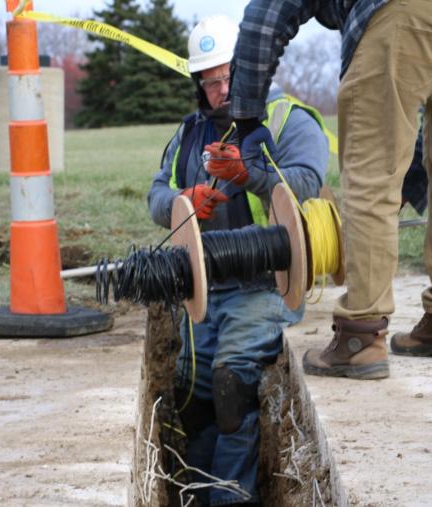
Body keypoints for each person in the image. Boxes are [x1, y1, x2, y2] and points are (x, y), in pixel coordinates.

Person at [230, 0, 432, 380]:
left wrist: (247, 118)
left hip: (406, 11)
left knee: (372, 175)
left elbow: (266, 17)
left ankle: (359, 339)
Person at [146, 16, 328, 505]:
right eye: (210, 82)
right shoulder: (188, 134)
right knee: (192, 396)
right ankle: (200, 493)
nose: (221, 90)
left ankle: (231, 498)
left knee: (232, 385)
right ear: (198, 86)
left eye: (228, 77)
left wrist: (251, 176)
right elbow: (156, 194)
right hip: (204, 287)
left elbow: (306, 182)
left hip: (263, 286)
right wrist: (182, 199)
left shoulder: (288, 119)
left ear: (251, 71)